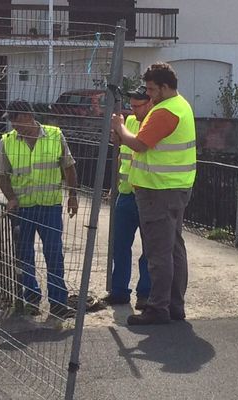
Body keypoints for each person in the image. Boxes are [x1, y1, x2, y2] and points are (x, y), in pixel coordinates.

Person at [111, 62, 196, 325]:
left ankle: (158, 307)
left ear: (165, 87)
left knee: (158, 252)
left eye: (151, 89)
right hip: (174, 187)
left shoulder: (164, 112)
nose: (148, 94)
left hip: (158, 190)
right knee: (173, 248)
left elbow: (140, 143)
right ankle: (174, 305)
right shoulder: (179, 106)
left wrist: (120, 127)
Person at [0, 100, 79, 319]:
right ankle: (31, 300)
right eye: (11, 119)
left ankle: (59, 302)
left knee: (54, 255)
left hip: (49, 207)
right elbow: (2, 174)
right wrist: (11, 198)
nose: (14, 124)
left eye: (17, 118)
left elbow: (68, 166)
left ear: (29, 116)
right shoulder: (7, 141)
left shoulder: (54, 135)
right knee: (24, 256)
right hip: (23, 208)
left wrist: (72, 195)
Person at [103, 85, 153, 310]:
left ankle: (146, 293)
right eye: (130, 106)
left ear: (149, 103)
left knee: (149, 249)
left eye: (137, 106)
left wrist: (120, 131)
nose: (133, 111)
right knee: (119, 245)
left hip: (149, 194)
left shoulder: (155, 122)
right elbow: (122, 157)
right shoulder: (130, 122)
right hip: (126, 193)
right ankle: (119, 291)